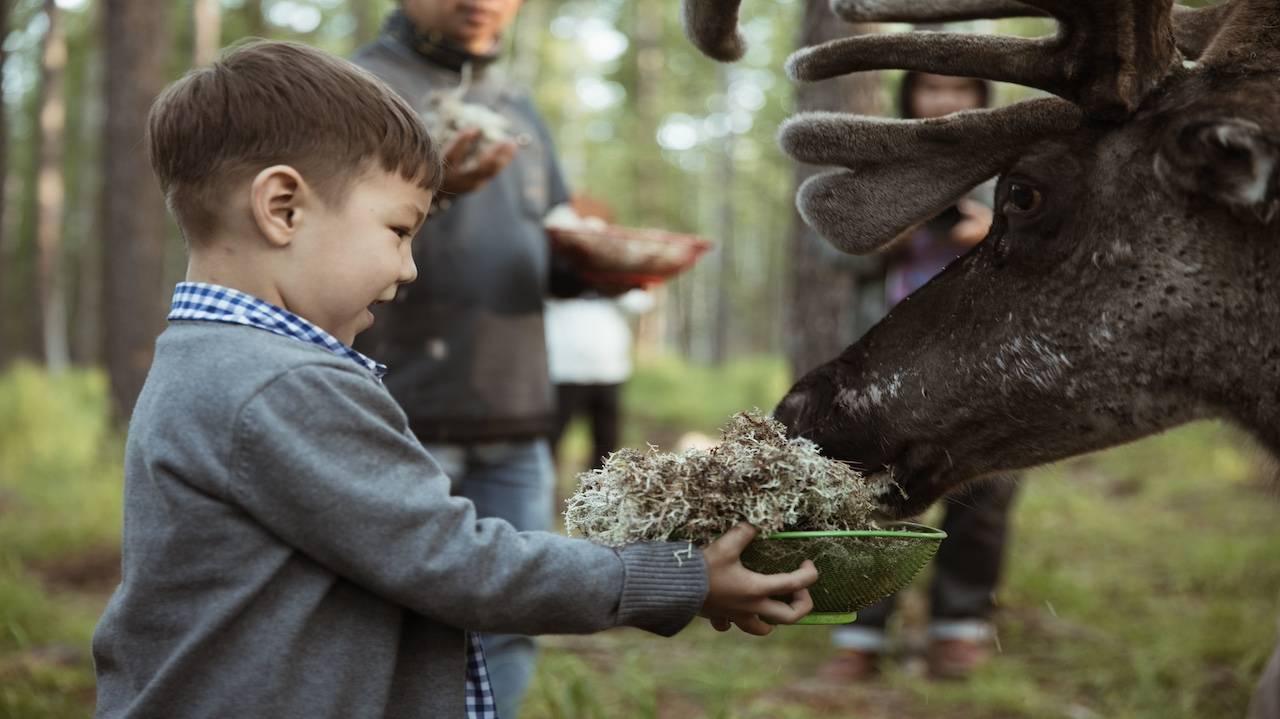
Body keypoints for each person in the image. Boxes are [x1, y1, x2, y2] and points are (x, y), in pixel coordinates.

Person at [90, 40, 820, 719]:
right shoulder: (277, 384)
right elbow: (459, 562)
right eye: (399, 231)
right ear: (283, 208)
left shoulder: (205, 355)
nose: (408, 268)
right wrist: (675, 578)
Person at [350, 4, 598, 714]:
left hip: (518, 412)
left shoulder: (516, 100)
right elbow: (328, 239)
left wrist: (591, 268)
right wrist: (438, 192)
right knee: (396, 622)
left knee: (515, 621)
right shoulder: (359, 88)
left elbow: (544, 243)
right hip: (399, 410)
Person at [819, 71, 1021, 683]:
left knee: (984, 494)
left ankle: (957, 632)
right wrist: (892, 230)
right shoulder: (884, 165)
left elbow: (1056, 249)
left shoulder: (1013, 163)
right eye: (932, 88)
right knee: (874, 493)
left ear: (981, 97)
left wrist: (994, 230)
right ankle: (859, 635)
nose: (945, 101)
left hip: (992, 359)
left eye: (960, 89)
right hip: (891, 365)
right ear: (909, 94)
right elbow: (835, 252)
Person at [546, 287, 653, 471]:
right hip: (563, 371)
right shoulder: (556, 266)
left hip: (609, 370)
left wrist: (609, 282)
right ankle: (546, 495)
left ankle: (598, 494)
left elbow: (641, 302)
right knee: (550, 441)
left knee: (607, 443)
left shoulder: (613, 277)